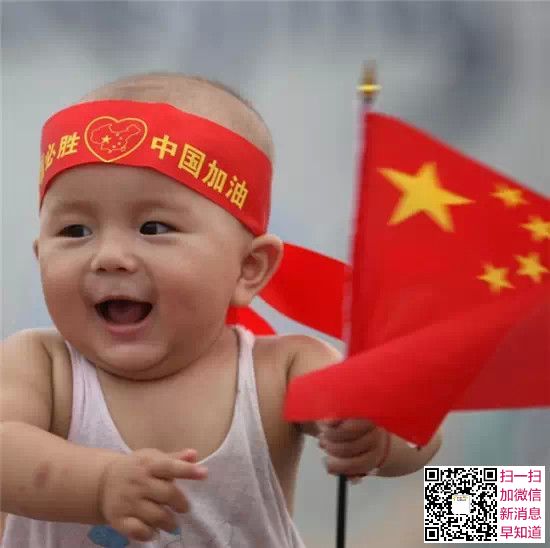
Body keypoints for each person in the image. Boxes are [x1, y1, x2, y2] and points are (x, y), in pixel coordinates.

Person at [0, 73, 442, 547]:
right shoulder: (41, 365)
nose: (108, 256)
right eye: (75, 231)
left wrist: (375, 433)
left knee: (478, 511)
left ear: (249, 268)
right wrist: (99, 484)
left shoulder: (281, 371)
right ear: (40, 255)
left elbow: (419, 435)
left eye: (153, 227)